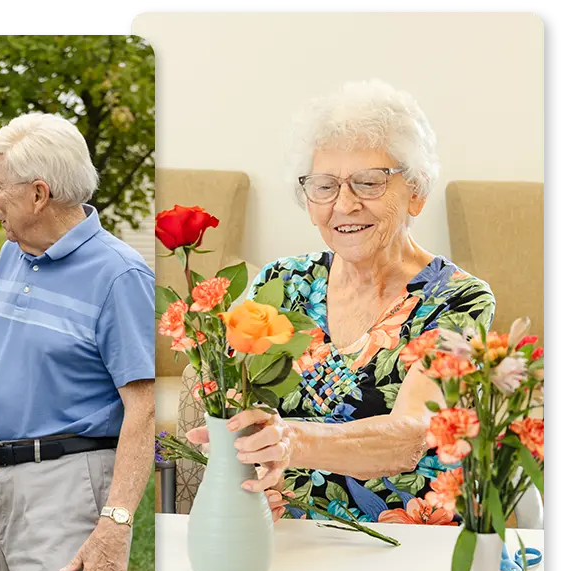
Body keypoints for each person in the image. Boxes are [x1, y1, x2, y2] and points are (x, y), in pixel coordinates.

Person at [187, 80, 495, 525]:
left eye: (369, 183)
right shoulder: (282, 282)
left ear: (416, 191)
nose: (344, 205)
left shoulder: (458, 299)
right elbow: (230, 405)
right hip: (288, 537)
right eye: (324, 186)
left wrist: (292, 440)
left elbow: (412, 435)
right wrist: (248, 475)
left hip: (406, 542)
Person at [0, 112, 155, 571]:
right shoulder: (14, 253)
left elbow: (142, 408)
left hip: (68, 486)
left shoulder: (119, 275)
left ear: (38, 194)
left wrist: (115, 524)